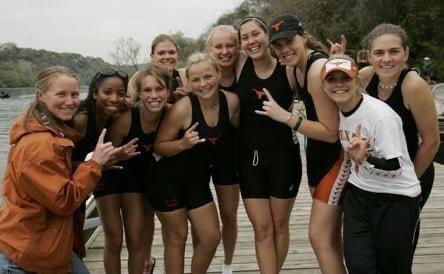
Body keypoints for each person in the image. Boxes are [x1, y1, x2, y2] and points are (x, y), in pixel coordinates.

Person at [0, 66, 120, 273]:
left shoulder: (51, 133)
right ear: (40, 96)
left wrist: (90, 164)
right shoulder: (39, 145)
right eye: (61, 94)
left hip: (47, 247)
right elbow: (64, 200)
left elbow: (54, 177)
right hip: (26, 255)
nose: (70, 101)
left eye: (74, 94)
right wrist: (94, 165)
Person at [256, 14, 347, 274]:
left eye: (289, 42)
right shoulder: (293, 69)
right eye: (278, 46)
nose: (284, 50)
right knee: (330, 238)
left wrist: (285, 117)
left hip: (336, 158)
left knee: (318, 236)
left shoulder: (317, 69)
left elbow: (331, 132)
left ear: (304, 37)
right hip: (316, 156)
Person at [321, 54, 421, 274]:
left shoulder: (379, 116)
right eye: (331, 79)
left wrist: (365, 158)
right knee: (359, 266)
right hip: (360, 196)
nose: (339, 84)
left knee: (392, 269)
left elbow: (394, 165)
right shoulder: (337, 111)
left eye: (345, 78)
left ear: (357, 81)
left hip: (396, 200)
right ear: (324, 86)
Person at [153, 53, 240, 274]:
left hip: (196, 180)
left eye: (208, 76)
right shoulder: (183, 108)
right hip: (167, 179)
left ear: (219, 74)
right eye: (196, 80)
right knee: (177, 237)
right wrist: (182, 144)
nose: (203, 84)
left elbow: (239, 132)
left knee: (211, 237)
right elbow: (159, 146)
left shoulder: (230, 102)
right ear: (189, 83)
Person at [236, 16, 302, 274]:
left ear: (267, 36)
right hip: (249, 158)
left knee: (279, 225)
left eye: (256, 34)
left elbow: (317, 81)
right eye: (245, 37)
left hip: (283, 156)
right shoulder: (240, 65)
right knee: (261, 228)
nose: (251, 41)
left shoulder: (287, 68)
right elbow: (196, 71)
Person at [71, 68, 146, 274]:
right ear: (95, 93)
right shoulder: (82, 119)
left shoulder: (123, 109)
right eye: (107, 92)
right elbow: (65, 162)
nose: (114, 98)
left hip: (127, 170)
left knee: (136, 238)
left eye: (120, 94)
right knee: (114, 238)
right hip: (101, 173)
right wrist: (103, 164)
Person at [359, 24, 439, 209]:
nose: (386, 59)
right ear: (369, 55)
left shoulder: (414, 86)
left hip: (410, 172)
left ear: (406, 53)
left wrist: (408, 180)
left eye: (394, 51)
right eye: (379, 53)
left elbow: (431, 142)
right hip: (375, 175)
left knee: (398, 237)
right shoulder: (364, 78)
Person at [206, 24, 240, 274]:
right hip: (197, 155)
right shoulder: (196, 75)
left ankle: (227, 266)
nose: (225, 51)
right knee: (200, 219)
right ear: (210, 50)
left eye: (230, 45)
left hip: (231, 155)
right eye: (219, 46)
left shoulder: (245, 73)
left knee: (229, 215)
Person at [127, 34, 188, 105]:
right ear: (152, 56)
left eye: (171, 52)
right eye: (161, 53)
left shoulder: (184, 76)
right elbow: (129, 105)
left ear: (177, 55)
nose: (167, 56)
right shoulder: (139, 77)